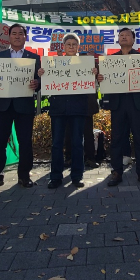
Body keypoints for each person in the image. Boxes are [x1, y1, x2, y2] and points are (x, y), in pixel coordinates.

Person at [0, 24, 40, 191]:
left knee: (25, 142)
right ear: (9, 37)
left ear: (25, 37)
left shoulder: (34, 57)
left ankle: (24, 176)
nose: (17, 36)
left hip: (24, 105)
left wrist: (37, 83)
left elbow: (40, 82)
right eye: (14, 33)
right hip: (2, 105)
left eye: (20, 33)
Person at [38, 33, 97, 189]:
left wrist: (94, 73)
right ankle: (55, 177)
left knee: (78, 142)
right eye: (68, 44)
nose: (71, 47)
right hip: (58, 107)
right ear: (63, 47)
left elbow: (92, 82)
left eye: (74, 44)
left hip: (79, 107)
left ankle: (77, 176)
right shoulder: (54, 63)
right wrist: (42, 74)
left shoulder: (86, 63)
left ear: (78, 47)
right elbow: (46, 82)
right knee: (57, 143)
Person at [98, 27, 140, 187]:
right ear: (118, 39)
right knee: (116, 139)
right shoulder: (111, 59)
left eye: (127, 35)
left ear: (133, 39)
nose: (124, 37)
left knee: (139, 138)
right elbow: (104, 81)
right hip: (118, 103)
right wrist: (101, 77)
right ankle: (116, 172)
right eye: (121, 35)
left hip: (136, 103)